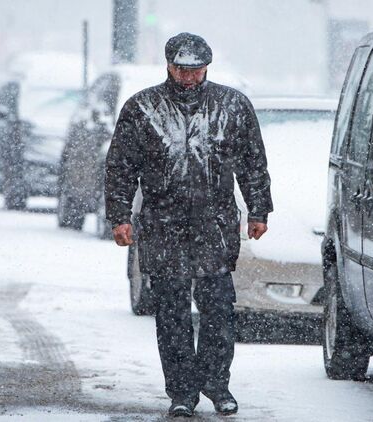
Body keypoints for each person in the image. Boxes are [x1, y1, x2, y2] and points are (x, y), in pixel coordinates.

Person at [105, 32, 272, 417]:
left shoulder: (232, 106)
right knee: (172, 311)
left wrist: (259, 209)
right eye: (182, 69)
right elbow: (120, 167)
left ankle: (217, 383)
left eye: (196, 70)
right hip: (163, 224)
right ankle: (181, 390)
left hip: (214, 223)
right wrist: (119, 216)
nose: (188, 77)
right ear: (168, 65)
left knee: (218, 309)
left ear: (207, 68)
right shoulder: (143, 108)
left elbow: (253, 162)